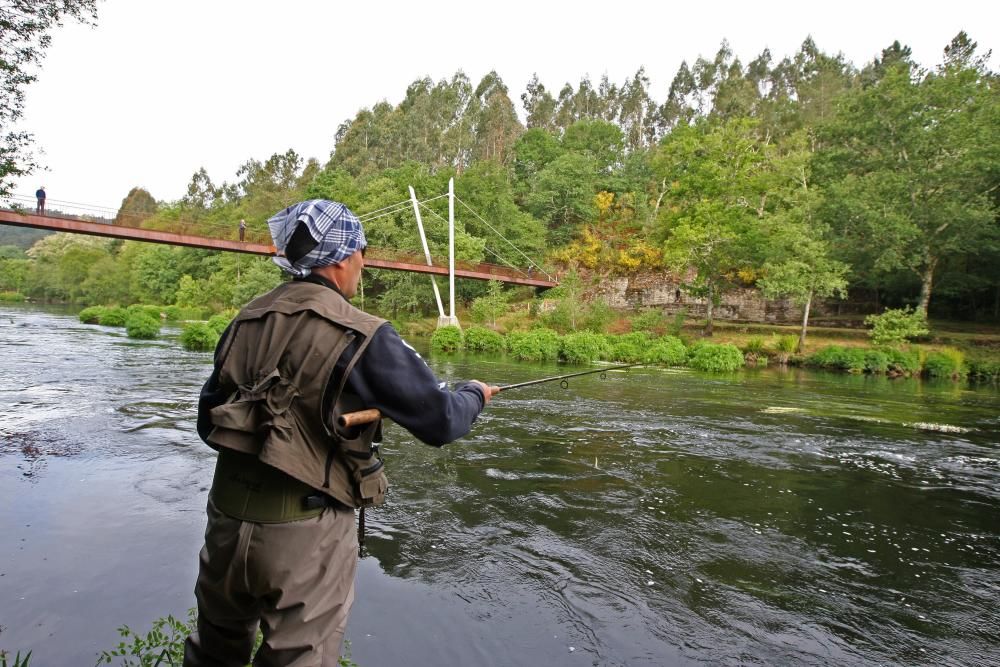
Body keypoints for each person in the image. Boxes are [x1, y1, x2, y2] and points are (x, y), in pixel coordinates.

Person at [184, 199, 498, 667]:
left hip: (226, 521)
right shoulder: (362, 333)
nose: (364, 265)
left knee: (213, 653)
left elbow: (208, 420)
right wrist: (474, 393)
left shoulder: (245, 320)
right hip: (304, 533)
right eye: (362, 252)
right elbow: (442, 422)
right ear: (340, 258)